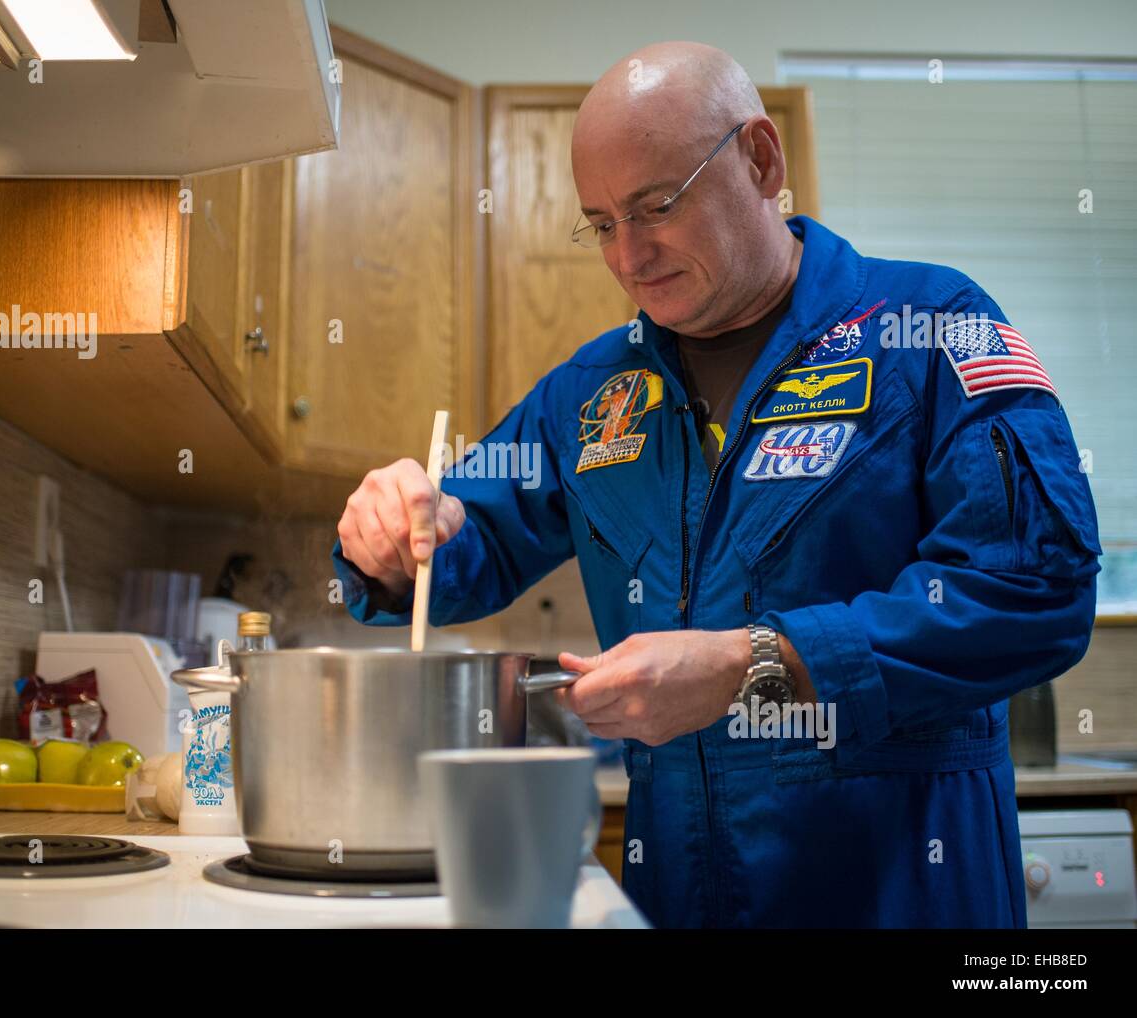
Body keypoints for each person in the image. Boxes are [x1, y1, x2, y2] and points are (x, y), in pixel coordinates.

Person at [332, 41, 1100, 928]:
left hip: (906, 893)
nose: (627, 256)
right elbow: (463, 546)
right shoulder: (591, 395)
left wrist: (752, 667)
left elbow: (1037, 591)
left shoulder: (932, 328)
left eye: (657, 206)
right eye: (601, 223)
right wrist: (393, 534)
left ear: (761, 159)